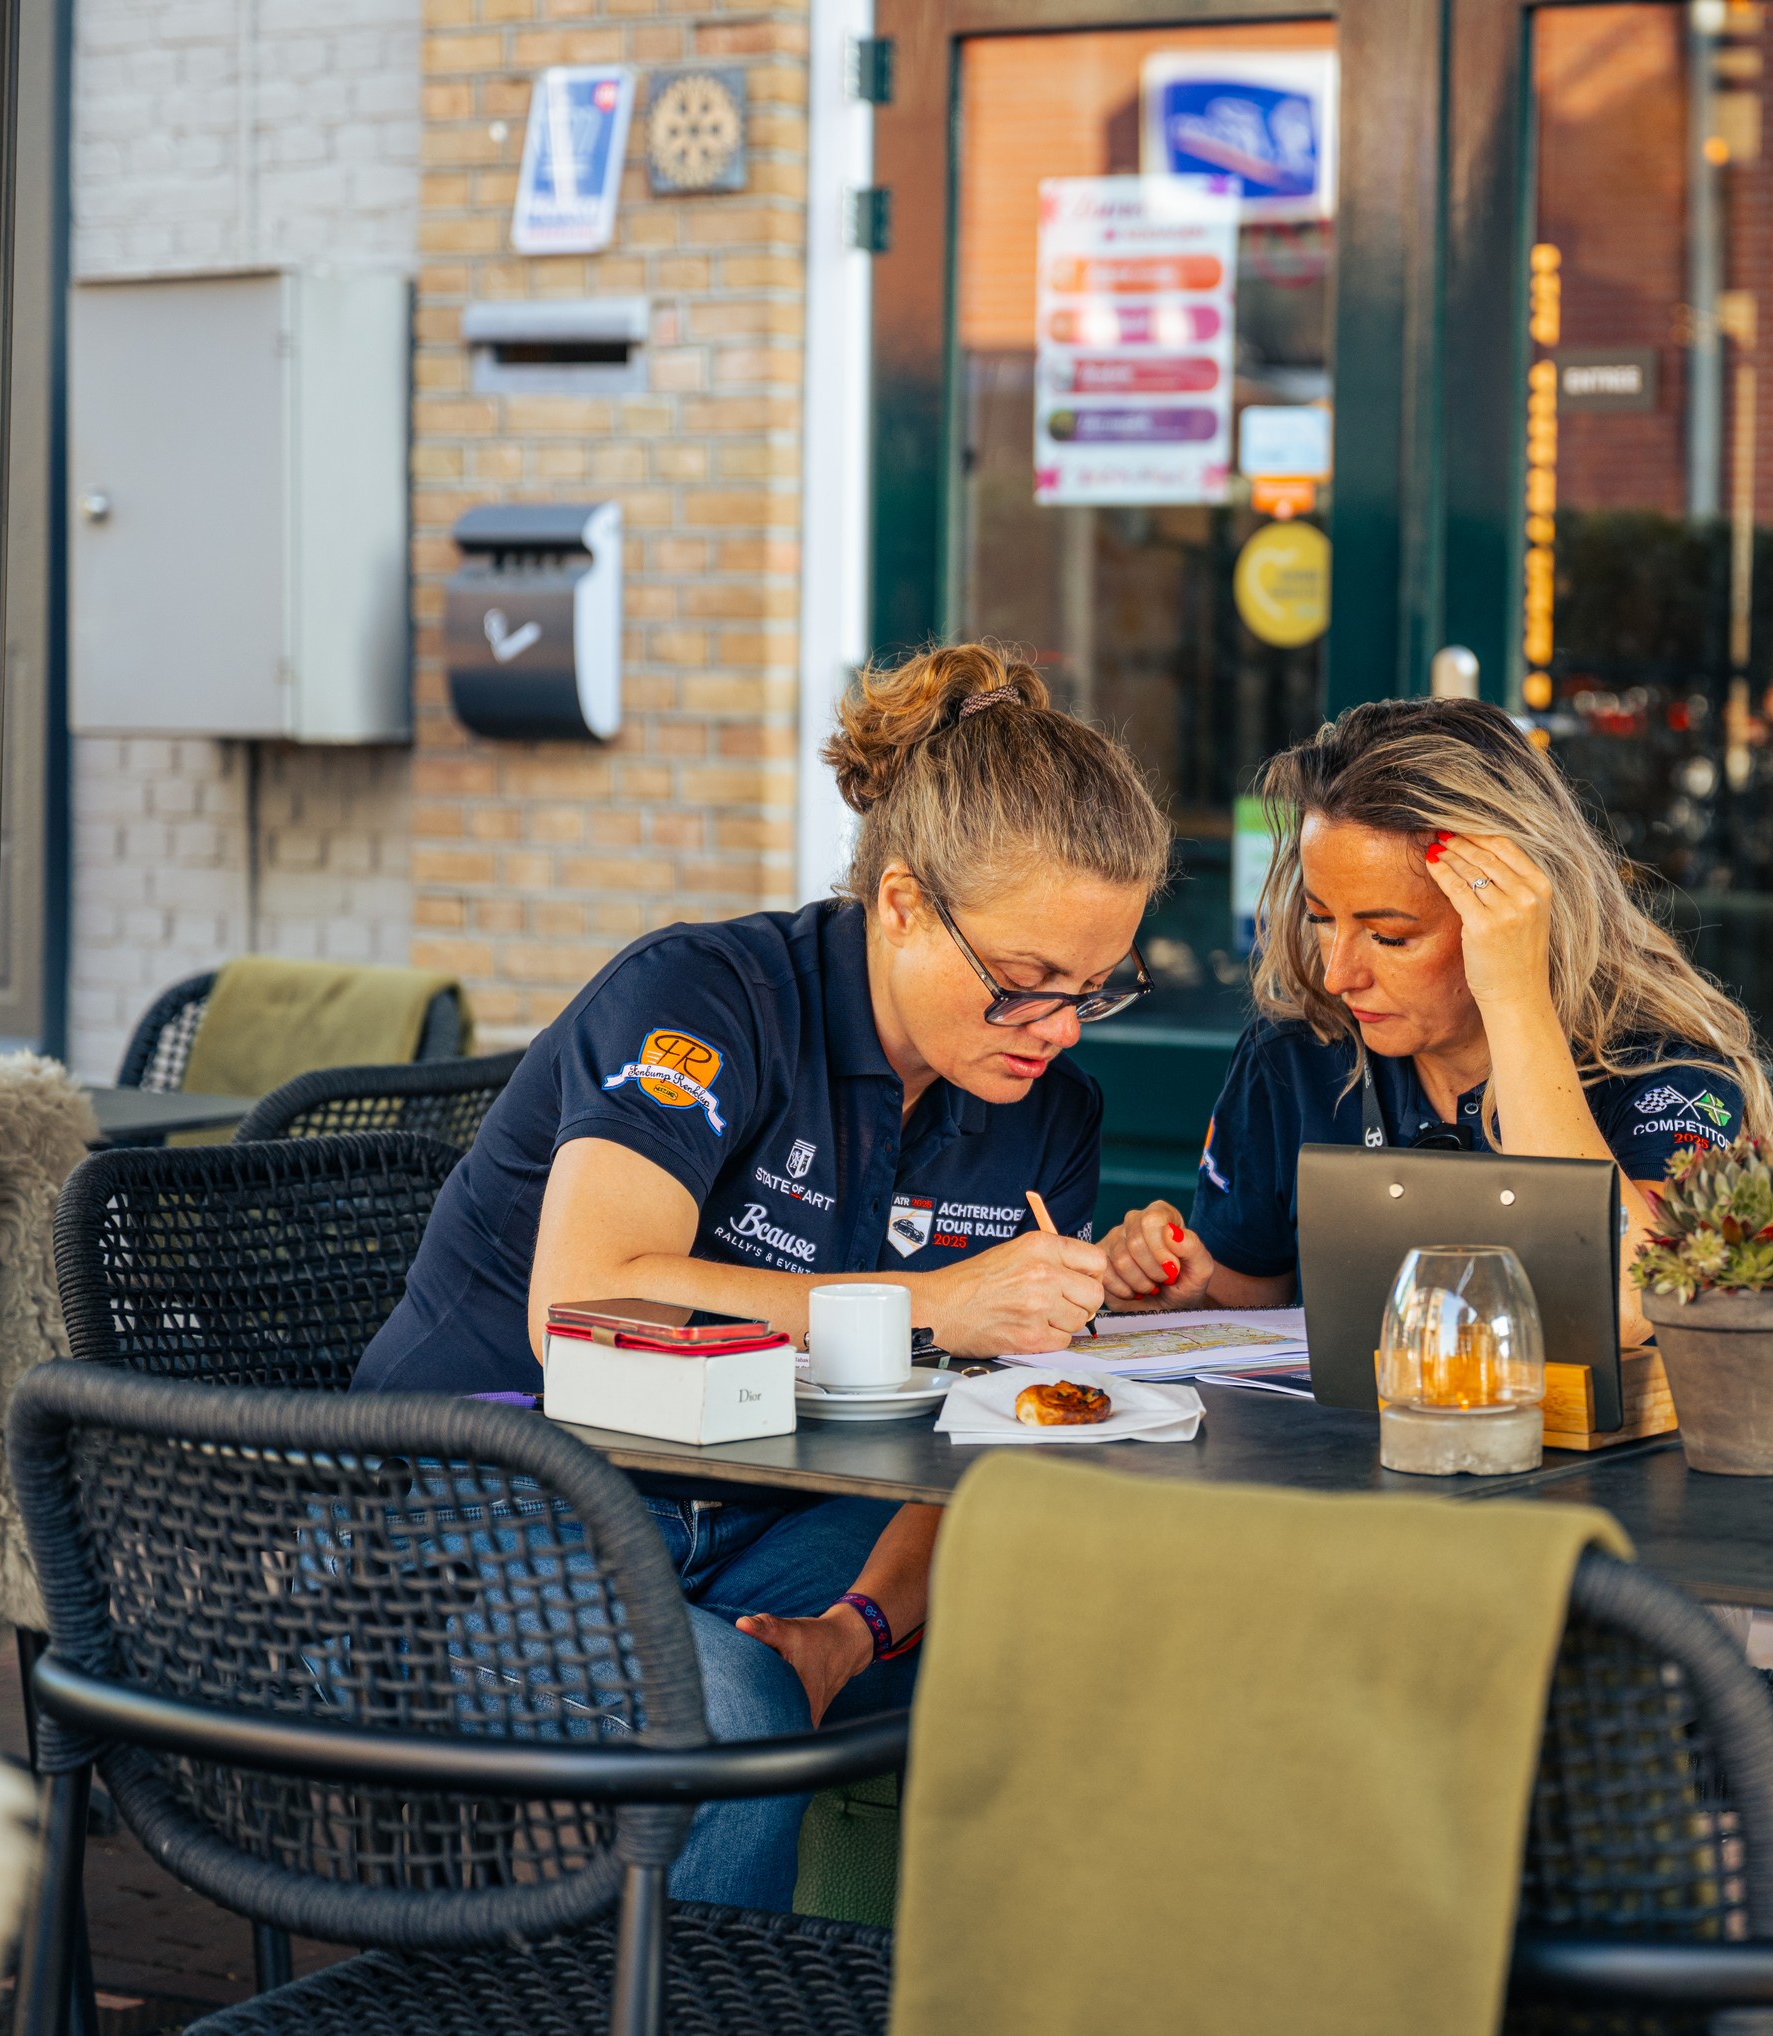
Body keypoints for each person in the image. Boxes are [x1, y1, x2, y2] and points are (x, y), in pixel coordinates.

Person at [354, 642, 1170, 1911]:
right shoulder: (706, 998)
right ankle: (700, 1995)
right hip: (484, 1492)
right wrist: (935, 1302)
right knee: (739, 1705)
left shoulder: (1044, 1109)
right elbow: (583, 1301)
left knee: (1060, 1631)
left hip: (766, 1512)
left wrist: (859, 1626)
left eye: (1096, 987)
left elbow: (987, 1439)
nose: (1060, 1026)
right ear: (902, 904)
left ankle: (903, 1989)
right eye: (1024, 983)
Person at [1100, 695, 1773, 1321]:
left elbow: (1635, 1303)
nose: (1339, 976)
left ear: (1511, 915)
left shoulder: (1663, 1071)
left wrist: (1515, 996)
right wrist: (1180, 1292)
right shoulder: (1297, 1054)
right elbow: (1246, 1304)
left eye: (1390, 936)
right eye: (1321, 919)